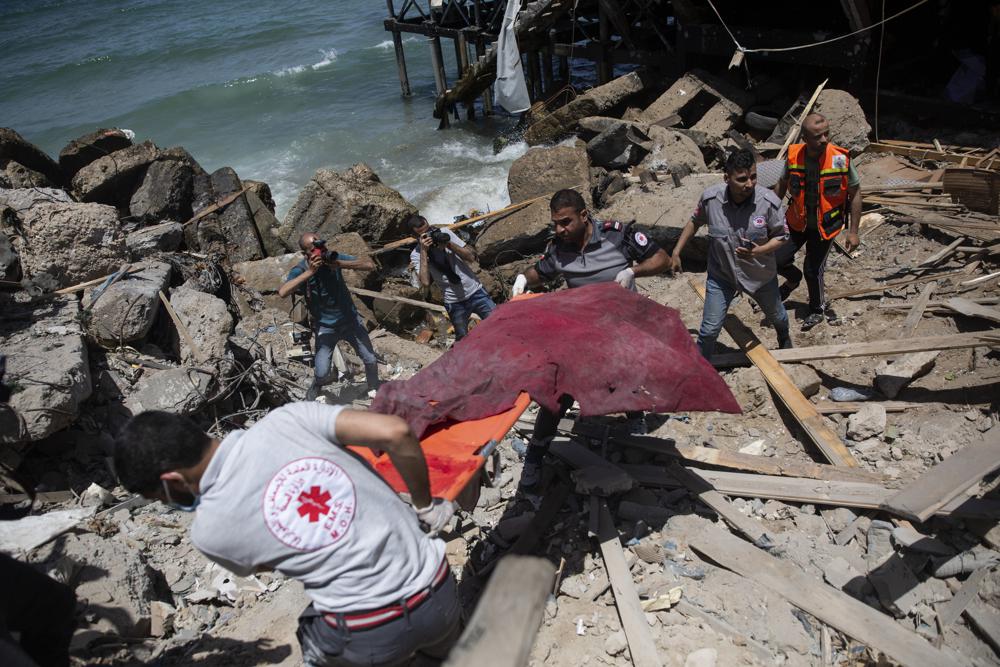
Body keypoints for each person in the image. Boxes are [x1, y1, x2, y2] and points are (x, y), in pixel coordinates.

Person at [112, 404, 459, 667]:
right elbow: (396, 432)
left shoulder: (210, 532)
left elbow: (266, 563)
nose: (168, 504)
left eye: (162, 498)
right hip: (440, 591)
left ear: (172, 481)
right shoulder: (288, 419)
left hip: (368, 631)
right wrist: (425, 505)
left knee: (313, 637)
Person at [510, 189, 670, 487]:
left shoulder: (617, 236)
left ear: (584, 215)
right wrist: (522, 278)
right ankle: (535, 457)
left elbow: (663, 259)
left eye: (566, 222)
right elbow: (540, 272)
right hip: (582, 332)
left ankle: (635, 419)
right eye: (556, 224)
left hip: (622, 329)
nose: (560, 229)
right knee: (558, 393)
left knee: (626, 375)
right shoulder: (559, 249)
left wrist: (632, 271)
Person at [670, 148, 793, 360]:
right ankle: (702, 368)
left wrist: (758, 251)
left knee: (778, 317)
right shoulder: (711, 200)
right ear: (727, 178)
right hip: (722, 276)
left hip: (760, 276)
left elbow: (782, 236)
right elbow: (694, 221)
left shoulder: (769, 202)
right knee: (709, 330)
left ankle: (784, 336)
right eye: (742, 179)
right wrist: (676, 251)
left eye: (753, 177)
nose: (750, 184)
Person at [773, 112, 863, 330]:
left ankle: (816, 309)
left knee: (812, 270)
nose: (824, 139)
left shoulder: (840, 158)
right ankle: (792, 281)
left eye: (826, 134)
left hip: (825, 227)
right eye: (817, 136)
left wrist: (853, 232)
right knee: (776, 259)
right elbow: (782, 183)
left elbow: (855, 193)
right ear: (805, 138)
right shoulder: (794, 156)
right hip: (797, 222)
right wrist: (770, 213)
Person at [278, 233, 380, 400]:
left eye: (322, 247)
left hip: (351, 321)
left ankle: (373, 386)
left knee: (370, 359)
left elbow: (370, 265)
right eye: (314, 250)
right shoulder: (301, 270)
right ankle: (317, 383)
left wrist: (339, 264)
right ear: (306, 254)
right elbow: (283, 292)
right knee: (322, 371)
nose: (321, 251)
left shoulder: (334, 258)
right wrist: (310, 272)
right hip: (325, 327)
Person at [407, 215, 496, 341]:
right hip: (454, 302)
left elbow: (471, 257)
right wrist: (424, 251)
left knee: (498, 323)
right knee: (463, 338)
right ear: (415, 237)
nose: (430, 235)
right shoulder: (416, 254)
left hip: (476, 292)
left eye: (429, 230)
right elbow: (425, 282)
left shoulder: (445, 233)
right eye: (424, 234)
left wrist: (448, 244)